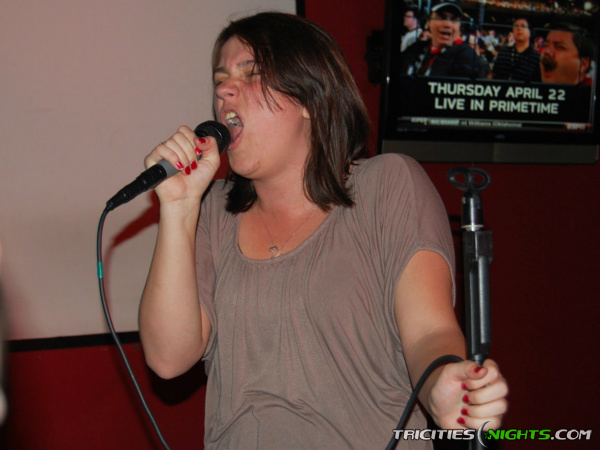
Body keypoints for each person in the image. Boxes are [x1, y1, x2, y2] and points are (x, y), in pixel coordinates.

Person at [139, 12, 508, 450]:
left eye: (251, 73)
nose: (223, 91)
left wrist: (441, 380)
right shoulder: (213, 213)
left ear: (309, 98)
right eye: (221, 78)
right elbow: (167, 358)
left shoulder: (387, 184)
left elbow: (428, 331)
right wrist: (179, 208)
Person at [400, 0, 481, 78]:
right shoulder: (415, 49)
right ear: (428, 21)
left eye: (453, 19)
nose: (447, 24)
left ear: (459, 26)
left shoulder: (466, 56)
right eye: (442, 17)